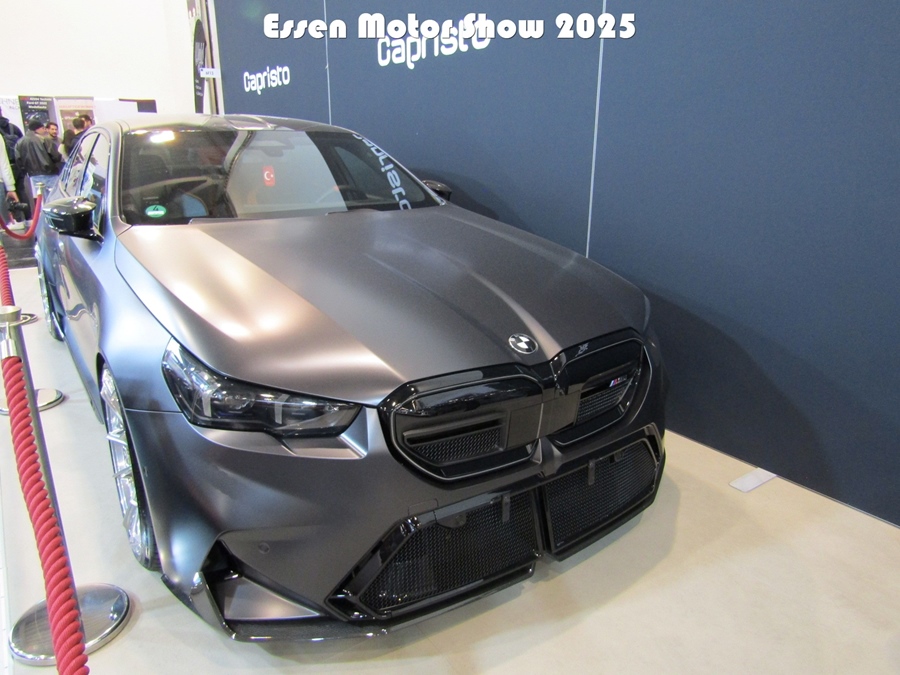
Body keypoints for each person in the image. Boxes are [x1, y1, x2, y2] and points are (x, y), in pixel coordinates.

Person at [14, 118, 60, 209]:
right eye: (43, 128)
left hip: (34, 175)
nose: (44, 130)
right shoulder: (44, 139)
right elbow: (56, 156)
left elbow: (18, 160)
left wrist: (26, 170)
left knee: (41, 200)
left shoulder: (20, 142)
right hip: (50, 173)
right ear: (37, 129)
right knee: (56, 199)